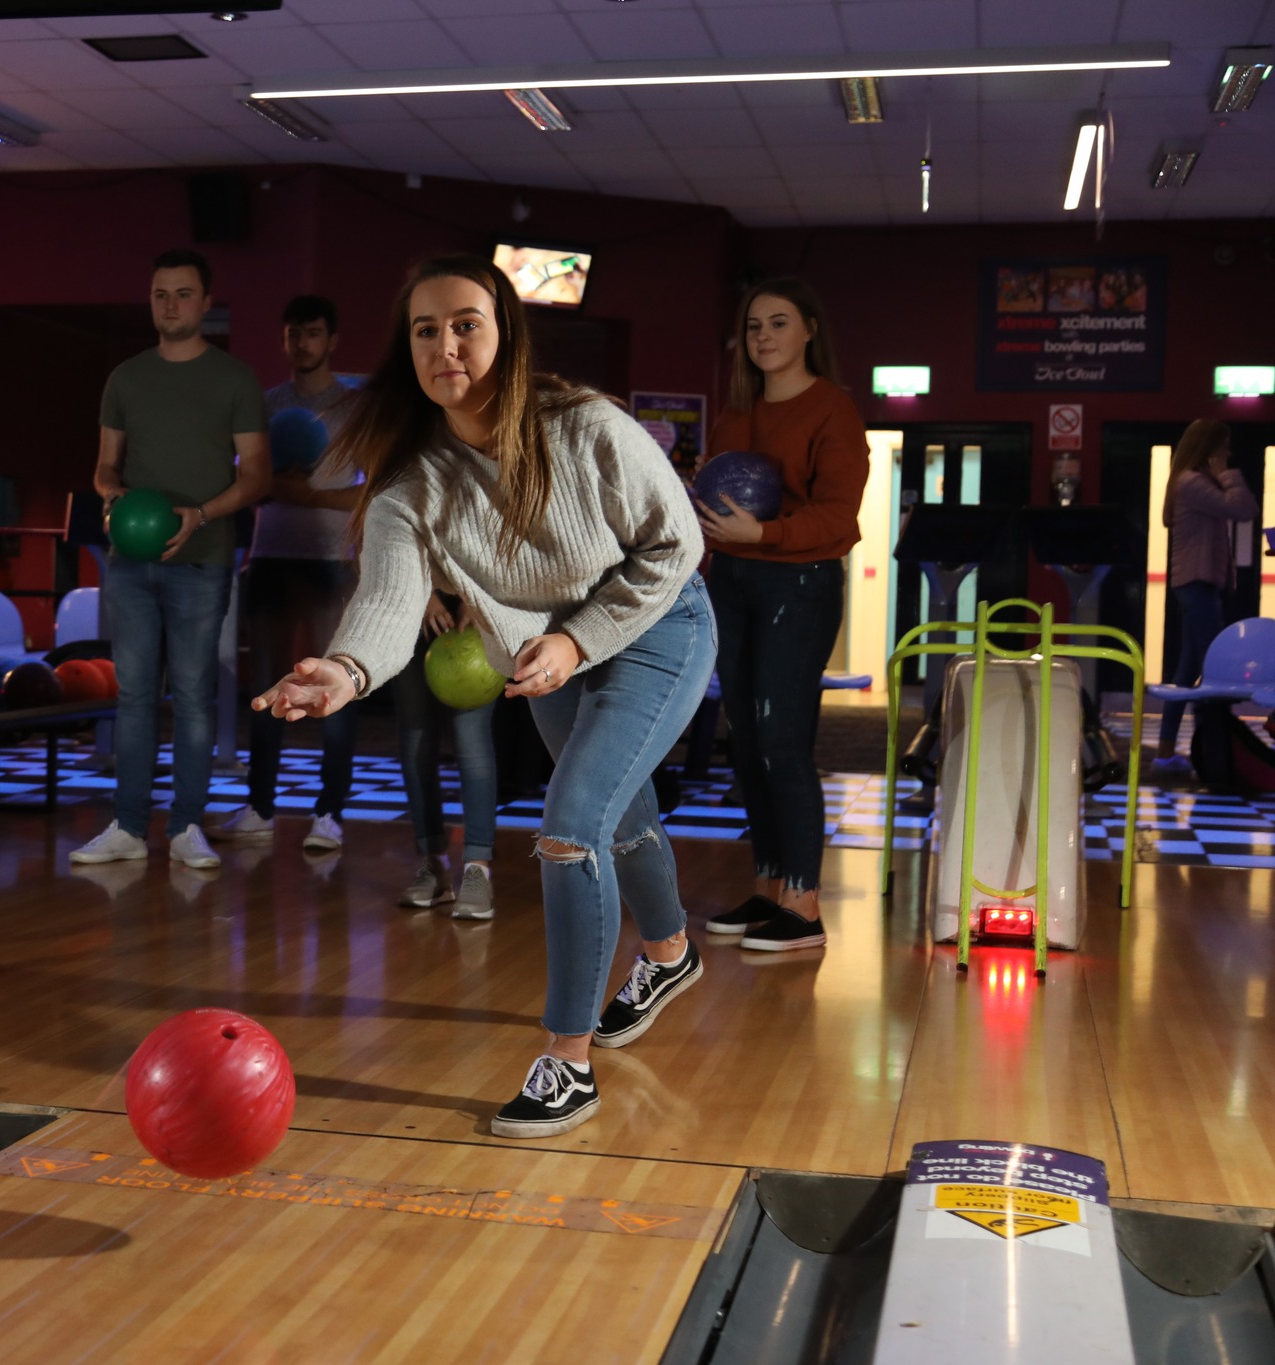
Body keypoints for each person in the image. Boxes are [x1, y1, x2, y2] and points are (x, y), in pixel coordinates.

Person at [256, 255, 713, 1139]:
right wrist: (343, 673)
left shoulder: (584, 425)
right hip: (542, 648)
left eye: (465, 322)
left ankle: (566, 1063)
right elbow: (389, 602)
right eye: (425, 330)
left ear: (505, 332)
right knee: (619, 814)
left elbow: (675, 544)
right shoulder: (411, 479)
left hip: (659, 622)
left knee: (571, 821)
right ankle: (669, 951)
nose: (446, 344)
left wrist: (580, 638)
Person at [71, 248, 270, 873]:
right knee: (133, 696)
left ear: (206, 303)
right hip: (130, 559)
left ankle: (186, 826)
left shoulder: (234, 379)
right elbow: (105, 465)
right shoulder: (127, 377)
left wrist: (201, 515)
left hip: (203, 558)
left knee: (191, 696)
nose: (171, 305)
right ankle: (129, 827)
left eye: (183, 294)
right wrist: (110, 492)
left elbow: (259, 478)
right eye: (161, 294)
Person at [697, 278, 867, 954]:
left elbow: (838, 516)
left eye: (779, 323)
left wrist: (762, 536)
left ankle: (804, 901)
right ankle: (769, 886)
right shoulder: (734, 414)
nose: (764, 336)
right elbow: (716, 495)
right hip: (734, 579)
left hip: (799, 582)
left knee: (781, 741)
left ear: (809, 331)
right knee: (744, 741)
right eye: (755, 325)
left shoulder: (833, 411)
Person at [212, 294, 362, 854]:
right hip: (270, 560)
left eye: (314, 333)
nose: (303, 344)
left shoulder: (353, 409)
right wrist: (292, 489)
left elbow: (366, 496)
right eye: (293, 334)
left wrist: (299, 491)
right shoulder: (266, 404)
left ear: (332, 340)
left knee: (334, 686)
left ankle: (330, 813)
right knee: (269, 688)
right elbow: (248, 482)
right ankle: (259, 807)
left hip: (332, 566)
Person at [1155, 419, 1259, 769]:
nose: (1228, 452)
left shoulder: (1193, 482)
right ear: (1209, 449)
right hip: (1197, 584)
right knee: (1212, 669)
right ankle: (1213, 752)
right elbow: (1244, 510)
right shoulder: (1193, 483)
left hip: (1198, 583)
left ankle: (1167, 753)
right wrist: (1225, 472)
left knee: (1187, 672)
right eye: (1224, 446)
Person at [393, 591, 500, 918]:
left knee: (472, 742)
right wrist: (421, 595)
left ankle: (477, 870)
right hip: (409, 601)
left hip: (479, 597)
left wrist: (476, 596)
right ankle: (433, 863)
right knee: (415, 742)